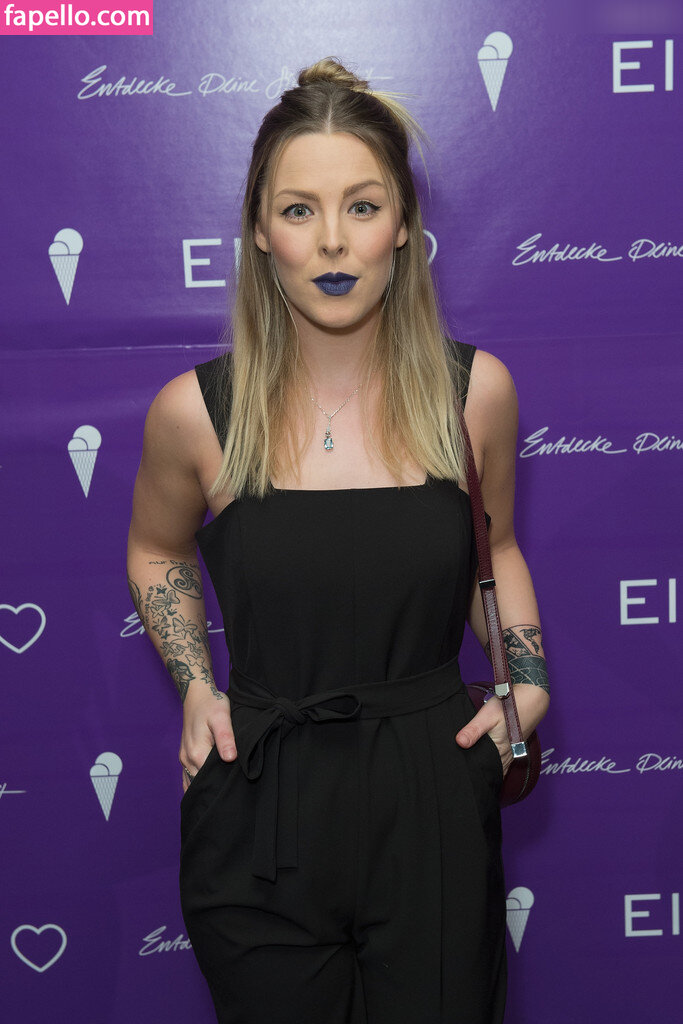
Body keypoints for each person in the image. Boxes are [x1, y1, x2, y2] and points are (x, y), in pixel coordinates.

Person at [127, 57, 550, 1024]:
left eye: (361, 206)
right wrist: (194, 681)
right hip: (258, 800)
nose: (330, 240)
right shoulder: (196, 414)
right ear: (259, 230)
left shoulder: (474, 394)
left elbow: (497, 549)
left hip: (430, 791)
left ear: (402, 223)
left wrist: (525, 682)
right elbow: (156, 549)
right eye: (298, 210)